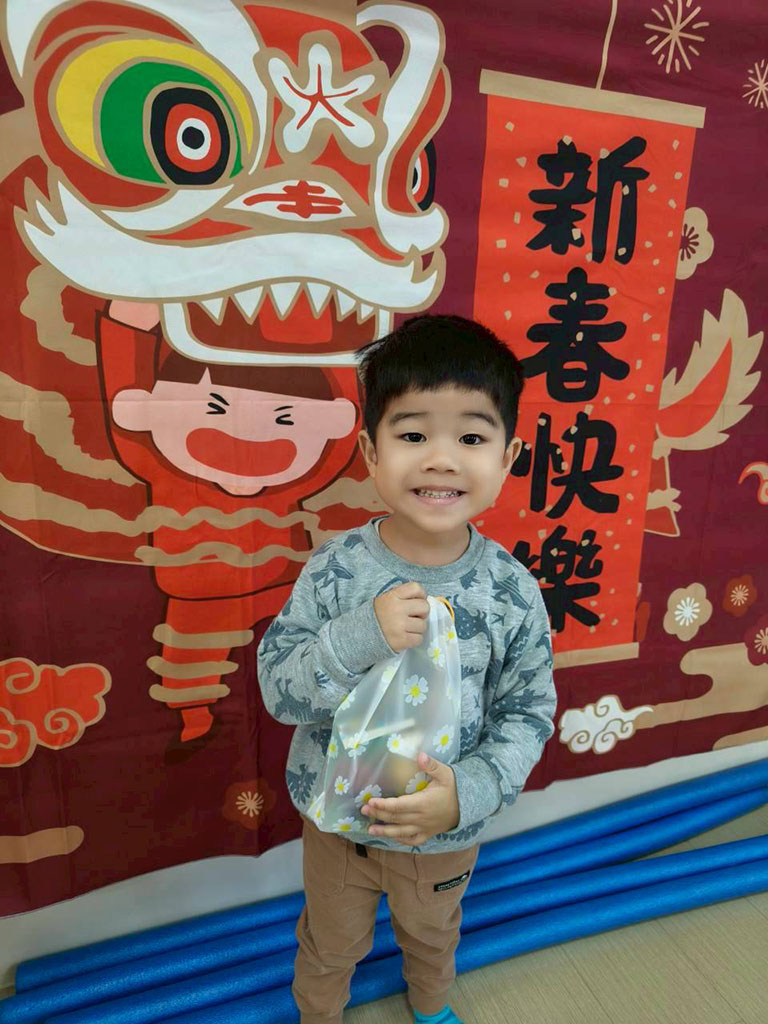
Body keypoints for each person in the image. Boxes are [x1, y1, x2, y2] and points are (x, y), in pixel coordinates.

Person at [257, 314, 557, 1024]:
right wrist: (359, 636)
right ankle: (318, 1015)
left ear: (509, 456)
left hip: (442, 834)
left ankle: (431, 1008)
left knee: (432, 937)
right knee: (328, 945)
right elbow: (278, 690)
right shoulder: (335, 569)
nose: (441, 460)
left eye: (472, 438)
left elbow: (529, 712)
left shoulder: (512, 591)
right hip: (338, 827)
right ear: (371, 450)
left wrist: (466, 794)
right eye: (414, 435)